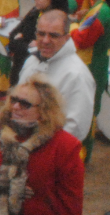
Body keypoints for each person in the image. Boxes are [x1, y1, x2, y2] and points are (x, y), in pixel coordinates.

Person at [0, 74, 84, 215]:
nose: (15, 107)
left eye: (25, 104)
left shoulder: (65, 146)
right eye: (13, 100)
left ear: (44, 111)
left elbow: (70, 203)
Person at [18, 10, 95, 143]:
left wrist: (41, 150)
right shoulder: (31, 61)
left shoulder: (77, 75)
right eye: (41, 34)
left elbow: (75, 128)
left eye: (53, 35)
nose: (46, 40)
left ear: (66, 37)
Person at [69, 0, 110, 162]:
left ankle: (82, 156)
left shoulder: (100, 12)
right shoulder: (98, 7)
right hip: (91, 64)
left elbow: (81, 39)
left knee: (87, 111)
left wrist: (70, 28)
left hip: (92, 66)